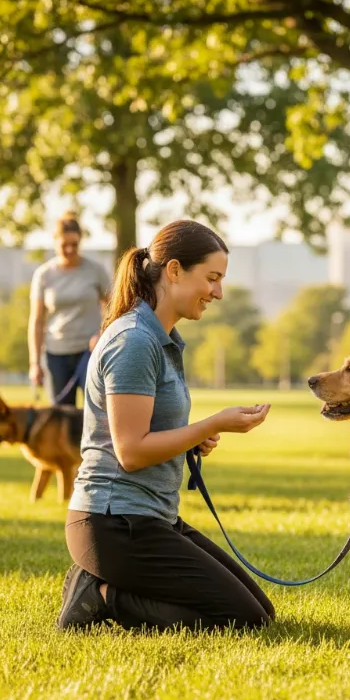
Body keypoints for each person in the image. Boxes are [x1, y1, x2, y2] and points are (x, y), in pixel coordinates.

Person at [58, 219, 274, 633]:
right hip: (113, 523)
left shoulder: (163, 338)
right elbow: (131, 452)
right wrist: (214, 423)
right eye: (211, 278)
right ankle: (101, 594)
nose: (218, 292)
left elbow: (147, 432)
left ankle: (106, 584)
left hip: (150, 517)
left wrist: (193, 439)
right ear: (174, 271)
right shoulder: (135, 341)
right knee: (242, 620)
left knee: (259, 612)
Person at [29, 213, 111, 405]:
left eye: (74, 244)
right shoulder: (44, 275)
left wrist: (103, 332)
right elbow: (37, 321)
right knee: (60, 420)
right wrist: (34, 363)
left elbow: (114, 306)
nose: (69, 249)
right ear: (55, 242)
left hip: (90, 352)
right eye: (64, 244)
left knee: (99, 410)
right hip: (56, 354)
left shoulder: (95, 271)